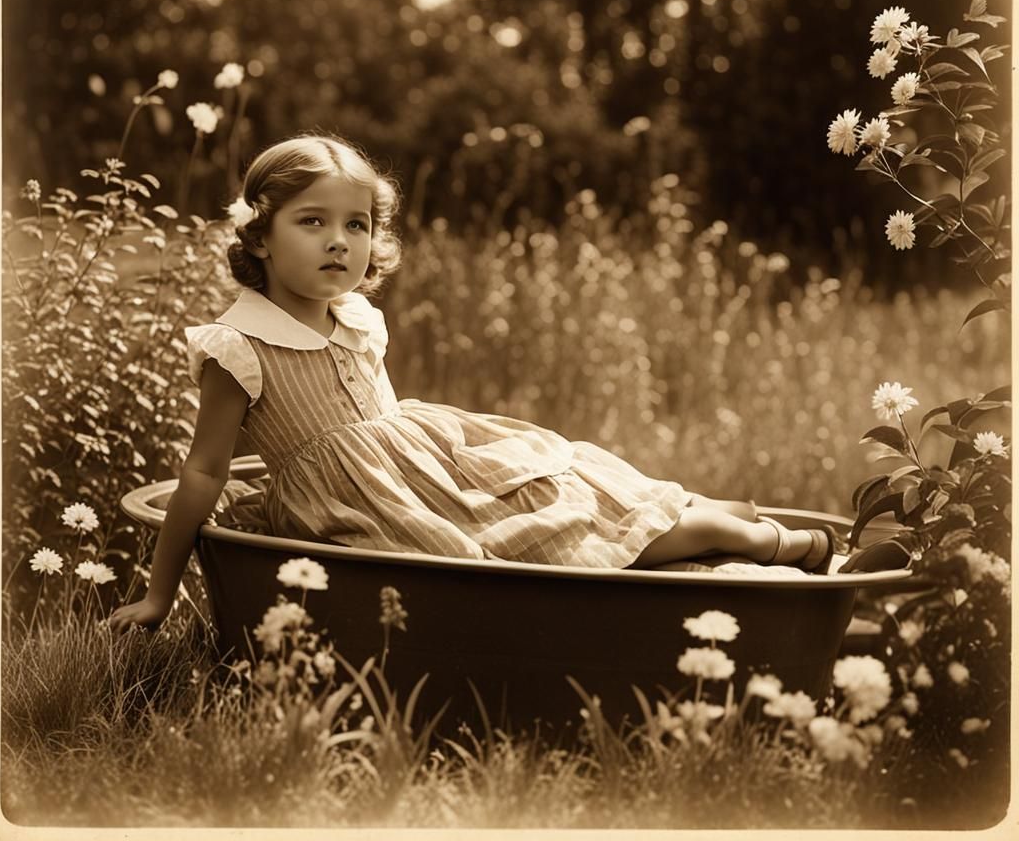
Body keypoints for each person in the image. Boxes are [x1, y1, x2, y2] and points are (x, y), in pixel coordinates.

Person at [107, 135, 891, 633]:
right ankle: (741, 541)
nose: (339, 242)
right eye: (312, 222)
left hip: (432, 469)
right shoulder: (238, 346)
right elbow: (205, 471)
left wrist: (457, 476)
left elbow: (384, 428)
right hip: (365, 506)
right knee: (527, 556)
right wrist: (159, 592)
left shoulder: (358, 318)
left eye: (357, 224)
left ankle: (771, 540)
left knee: (568, 498)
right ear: (259, 235)